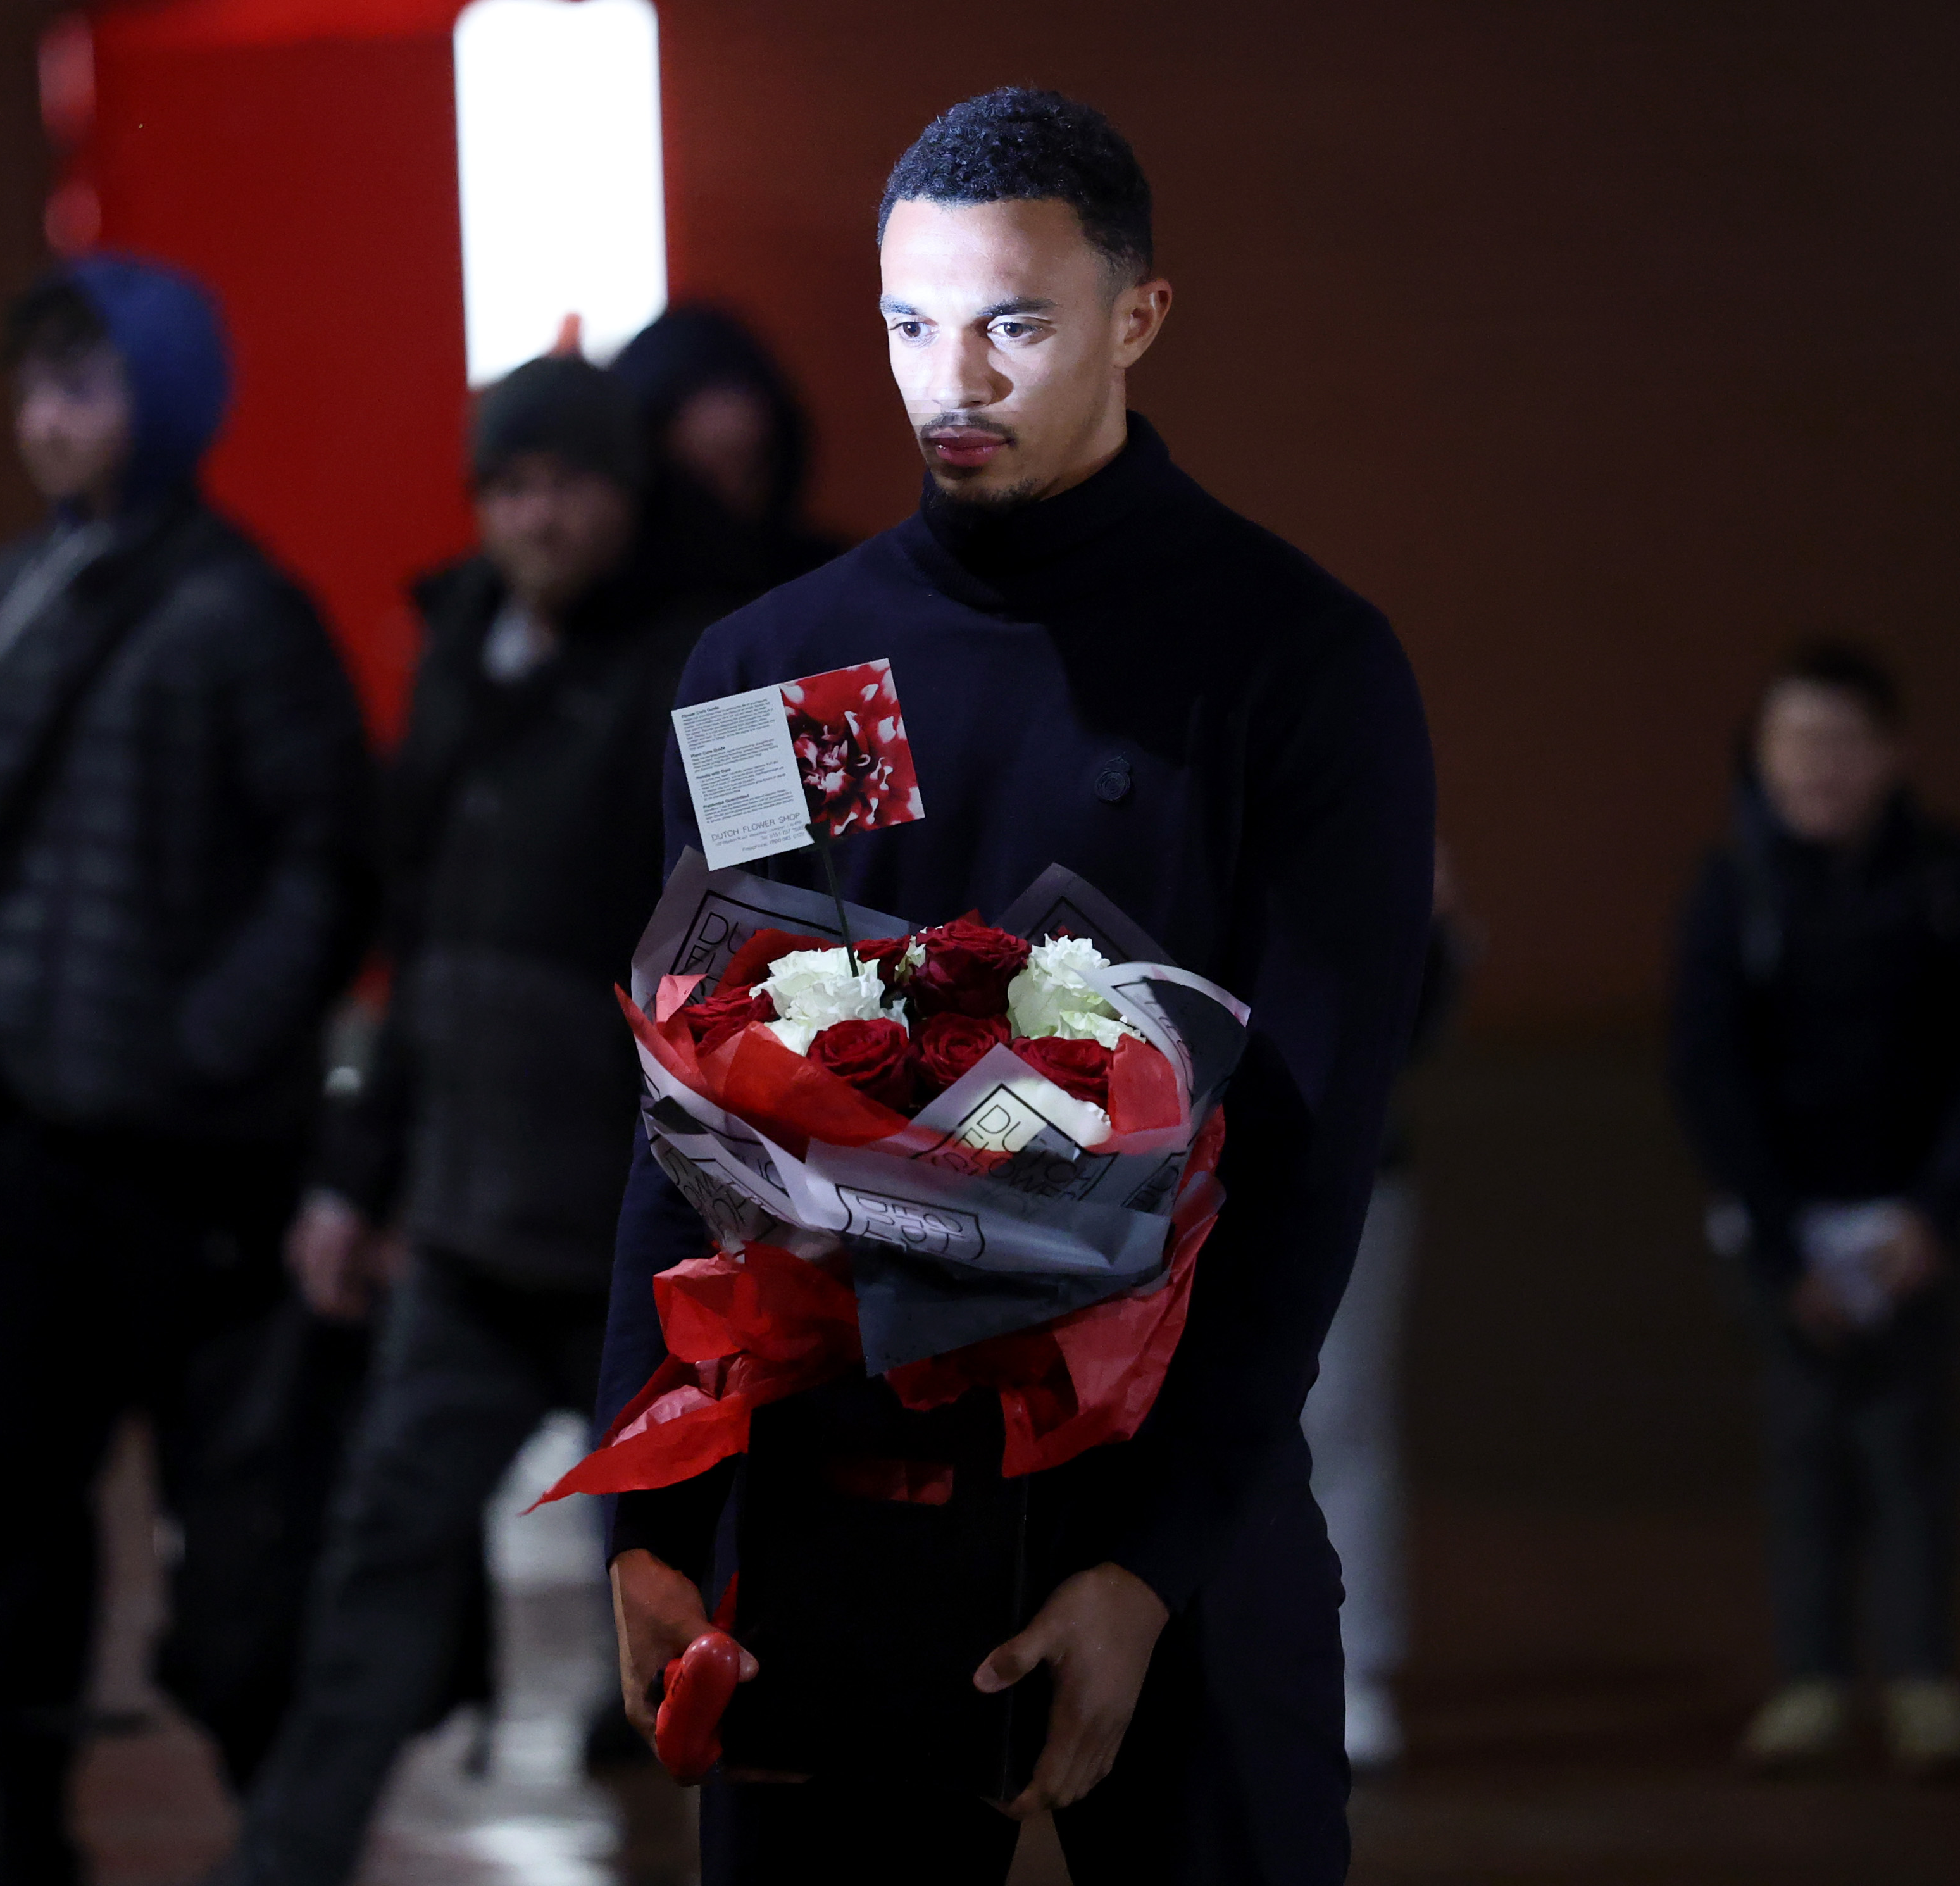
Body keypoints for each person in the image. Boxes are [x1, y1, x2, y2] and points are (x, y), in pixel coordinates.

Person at [606, 90, 1435, 1884]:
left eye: (1013, 320)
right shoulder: (785, 667)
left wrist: (1148, 1564)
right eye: (910, 321)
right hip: (837, 1498)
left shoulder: (1287, 670)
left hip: (1172, 1506)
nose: (950, 376)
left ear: (1137, 318)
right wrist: (653, 1504)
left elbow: (1302, 1151)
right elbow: (686, 1115)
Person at [214, 355, 728, 1886]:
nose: (534, 514)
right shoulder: (455, 654)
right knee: (373, 1571)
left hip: (640, 1251)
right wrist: (353, 1173)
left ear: (621, 495)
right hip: (462, 1233)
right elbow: (415, 938)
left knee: (699, 1613)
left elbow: (768, 943)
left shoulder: (697, 672)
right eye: (505, 487)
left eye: (562, 482)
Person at [0, 256, 377, 1886]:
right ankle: (24, 1832)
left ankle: (275, 1843)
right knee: (2, 1494)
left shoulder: (237, 612)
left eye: (85, 382)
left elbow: (333, 856)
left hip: (203, 1162)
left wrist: (209, 1037)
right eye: (33, 383)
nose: (47, 416)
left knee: (237, 1533)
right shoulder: (6, 594)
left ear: (164, 402)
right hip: (41, 1150)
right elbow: (0, 848)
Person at [1668, 640, 1960, 1776]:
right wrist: (1785, 1247)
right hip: (1784, 1234)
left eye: (1842, 742)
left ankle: (1925, 1679)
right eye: (1796, 742)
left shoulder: (1946, 881)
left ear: (1891, 755)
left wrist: (1939, 1209)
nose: (1818, 767)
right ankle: (1813, 1681)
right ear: (1763, 758)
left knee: (1914, 1449)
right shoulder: (1732, 888)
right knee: (1802, 1449)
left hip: (1913, 1226)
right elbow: (1709, 1072)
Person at [1300, 854, 1470, 1775]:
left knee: (1343, 1412)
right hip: (1182, 1155)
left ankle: (1355, 1666)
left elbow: (1421, 1023)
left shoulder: (1367, 790)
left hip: (1353, 1168)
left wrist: (1431, 927)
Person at [610, 304, 847, 601]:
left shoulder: (835, 587)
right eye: (702, 482)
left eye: (751, 471)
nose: (732, 498)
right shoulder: (609, 610)